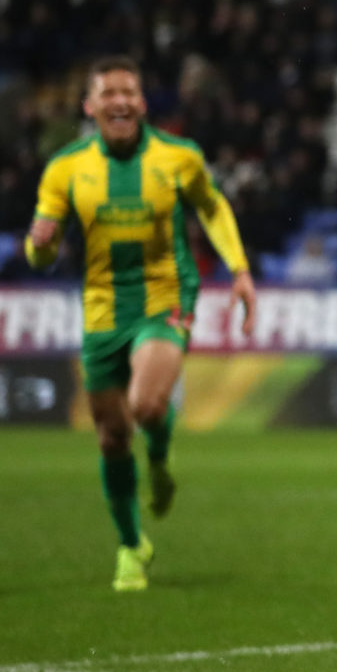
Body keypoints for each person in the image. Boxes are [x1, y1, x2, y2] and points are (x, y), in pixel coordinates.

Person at [24, 56, 258, 591]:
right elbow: (42, 252)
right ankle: (132, 546)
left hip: (166, 294)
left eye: (128, 92)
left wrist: (240, 269)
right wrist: (39, 246)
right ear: (90, 106)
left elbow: (212, 207)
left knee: (147, 404)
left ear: (143, 103)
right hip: (103, 306)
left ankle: (157, 453)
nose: (120, 101)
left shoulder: (178, 156)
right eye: (108, 93)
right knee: (110, 438)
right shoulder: (65, 168)